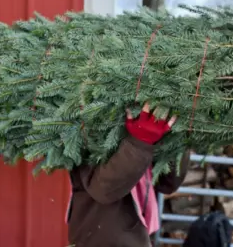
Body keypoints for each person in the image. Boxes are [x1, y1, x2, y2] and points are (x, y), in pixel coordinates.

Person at [66, 102, 190, 247]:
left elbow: (168, 184)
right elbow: (103, 189)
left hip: (138, 238)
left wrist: (177, 137)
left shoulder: (146, 113)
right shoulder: (90, 121)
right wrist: (140, 142)